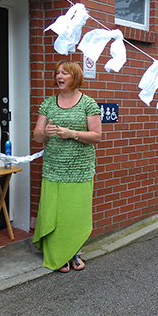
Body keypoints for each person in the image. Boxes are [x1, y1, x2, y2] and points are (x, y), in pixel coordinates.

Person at [33, 60, 102, 273]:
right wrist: (45, 133)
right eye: (57, 73)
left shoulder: (88, 103)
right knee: (53, 213)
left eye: (65, 73)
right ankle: (57, 255)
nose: (59, 77)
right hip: (54, 168)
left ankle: (73, 253)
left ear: (76, 77)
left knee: (74, 214)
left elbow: (97, 136)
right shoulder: (48, 103)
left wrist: (72, 133)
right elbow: (36, 136)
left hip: (79, 169)